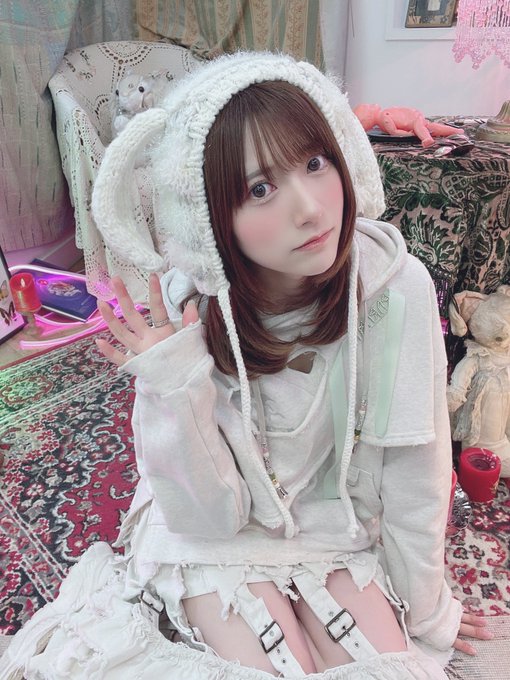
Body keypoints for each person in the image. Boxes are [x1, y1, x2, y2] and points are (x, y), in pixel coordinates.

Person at [1, 51, 491, 679]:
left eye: (315, 164)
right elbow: (208, 513)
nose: (310, 209)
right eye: (260, 189)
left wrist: (426, 609)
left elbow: (415, 471)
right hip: (211, 531)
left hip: (334, 523)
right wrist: (175, 386)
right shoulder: (191, 309)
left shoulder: (394, 289)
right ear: (209, 218)